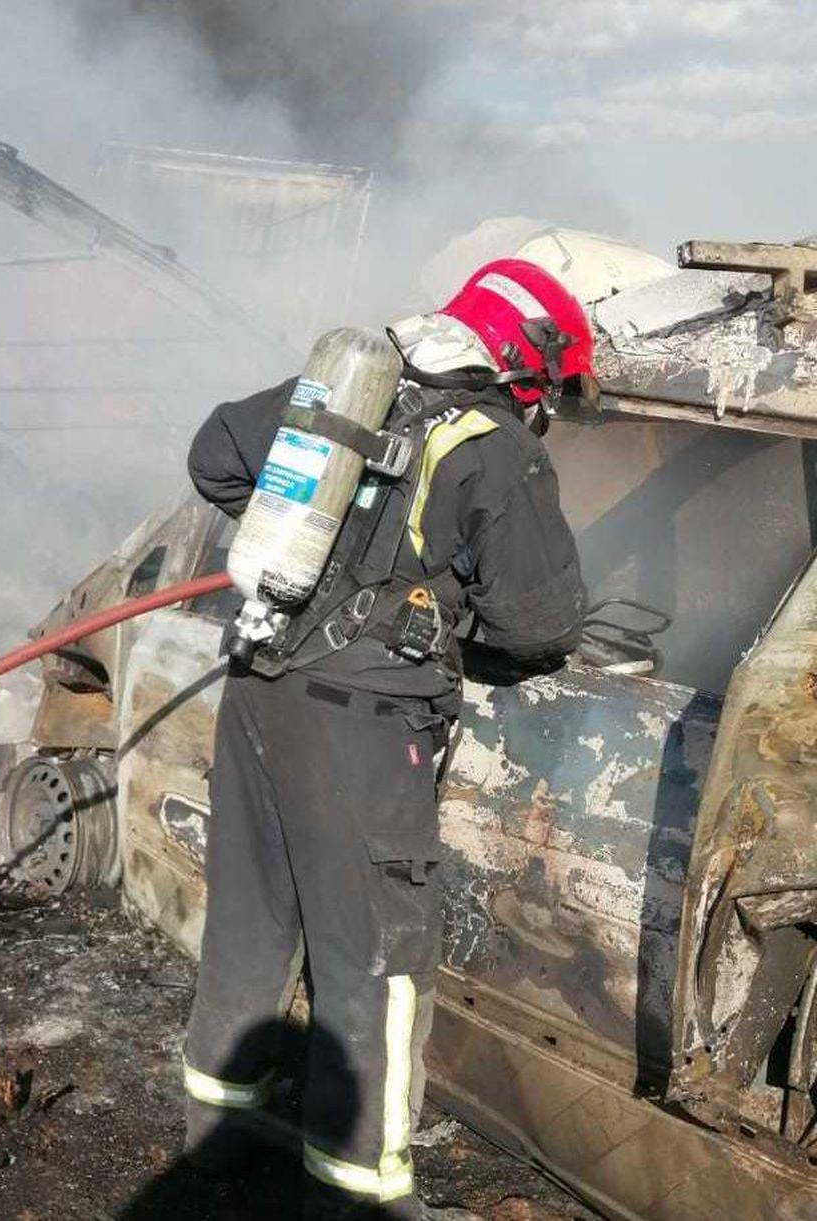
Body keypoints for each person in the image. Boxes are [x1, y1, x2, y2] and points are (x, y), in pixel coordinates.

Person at [180, 259, 591, 1219]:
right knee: (378, 957)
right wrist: (421, 608)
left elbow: (212, 457)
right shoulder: (494, 444)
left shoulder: (343, 391)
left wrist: (309, 561)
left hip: (258, 688)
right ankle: (361, 1193)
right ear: (525, 365)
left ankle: (213, 1138)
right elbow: (541, 625)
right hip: (364, 730)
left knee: (249, 920)